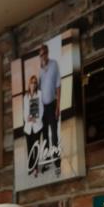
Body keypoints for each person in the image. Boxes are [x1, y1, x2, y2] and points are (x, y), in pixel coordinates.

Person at [38, 43, 61, 172]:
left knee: (54, 133)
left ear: (48, 53)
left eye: (44, 53)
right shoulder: (40, 70)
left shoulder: (54, 65)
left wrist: (58, 106)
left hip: (52, 104)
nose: (43, 56)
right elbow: (39, 89)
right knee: (45, 135)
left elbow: (58, 86)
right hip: (43, 107)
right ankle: (46, 162)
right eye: (41, 55)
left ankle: (57, 160)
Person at [22, 74, 43, 177]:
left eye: (35, 83)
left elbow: (42, 109)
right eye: (32, 82)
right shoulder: (26, 97)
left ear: (36, 84)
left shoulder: (39, 94)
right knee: (30, 148)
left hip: (37, 126)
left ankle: (36, 167)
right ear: (29, 84)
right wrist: (27, 118)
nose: (33, 84)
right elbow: (24, 111)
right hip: (28, 127)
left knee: (36, 148)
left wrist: (36, 119)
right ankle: (31, 167)